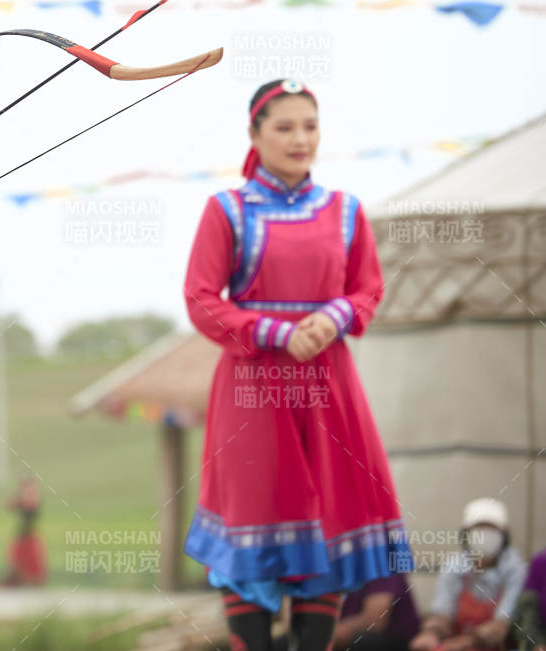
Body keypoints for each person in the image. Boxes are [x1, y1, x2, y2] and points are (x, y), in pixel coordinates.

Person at [182, 78, 413, 651]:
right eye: (284, 126)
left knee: (327, 523)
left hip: (328, 385)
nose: (299, 138)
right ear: (255, 135)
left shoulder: (345, 211)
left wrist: (333, 317)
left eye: (309, 126)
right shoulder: (227, 211)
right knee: (253, 521)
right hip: (253, 387)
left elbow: (368, 288)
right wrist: (275, 332)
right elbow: (201, 299)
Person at [412, 498, 529, 650]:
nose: (485, 536)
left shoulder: (516, 569)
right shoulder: (455, 565)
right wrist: (431, 632)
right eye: (479, 529)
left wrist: (467, 642)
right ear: (466, 534)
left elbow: (502, 624)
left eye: (491, 530)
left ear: (504, 536)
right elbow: (443, 610)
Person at [332, 571, 421, 649]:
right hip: (346, 636)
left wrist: (327, 635)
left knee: (363, 641)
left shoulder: (380, 563)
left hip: (394, 641)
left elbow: (373, 622)